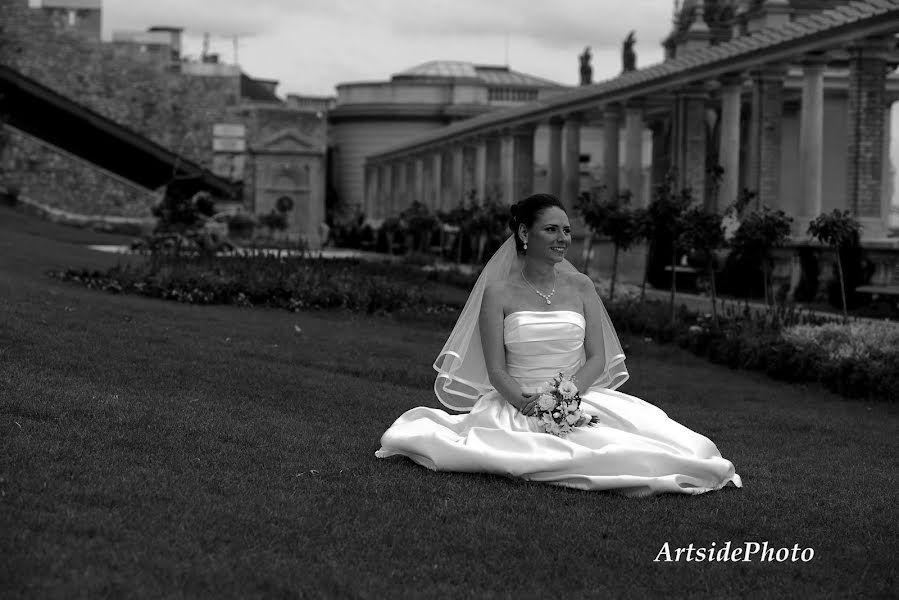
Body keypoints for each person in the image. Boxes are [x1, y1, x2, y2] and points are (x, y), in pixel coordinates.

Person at [375, 193, 742, 496]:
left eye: (566, 231)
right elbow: (496, 369)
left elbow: (597, 358)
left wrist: (567, 398)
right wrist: (524, 403)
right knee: (557, 450)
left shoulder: (581, 286)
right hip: (518, 400)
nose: (562, 238)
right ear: (524, 233)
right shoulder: (498, 293)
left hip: (579, 395)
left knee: (657, 443)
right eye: (550, 230)